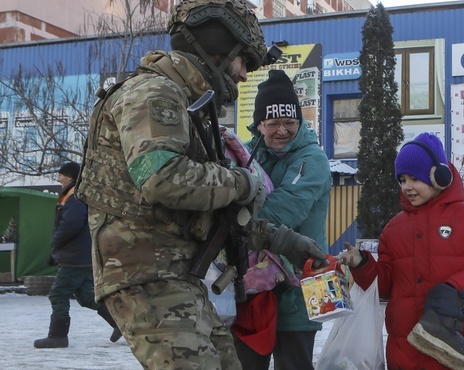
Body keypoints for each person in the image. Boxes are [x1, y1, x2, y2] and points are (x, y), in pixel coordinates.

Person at [74, 1, 327, 369]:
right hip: (147, 274)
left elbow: (211, 212)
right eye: (245, 62)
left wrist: (280, 240)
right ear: (220, 50)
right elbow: (163, 178)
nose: (243, 75)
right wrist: (242, 182)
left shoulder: (187, 106)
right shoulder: (154, 93)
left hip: (178, 275)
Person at [336, 133, 464, 370]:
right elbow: (387, 286)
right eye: (401, 179)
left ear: (439, 176)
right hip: (406, 354)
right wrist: (362, 264)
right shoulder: (394, 228)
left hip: (458, 352)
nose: (407, 187)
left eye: (414, 178)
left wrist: (456, 289)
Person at [232, 69, 332, 370]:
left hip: (303, 285)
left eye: (290, 122)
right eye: (273, 123)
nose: (282, 130)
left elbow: (285, 209)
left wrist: (230, 217)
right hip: (254, 288)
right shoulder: (247, 155)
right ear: (259, 124)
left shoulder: (312, 158)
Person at [34, 161, 121, 349]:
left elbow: (70, 224)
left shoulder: (75, 197)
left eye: (61, 174)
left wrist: (55, 243)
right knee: (87, 297)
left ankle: (57, 336)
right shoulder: (76, 194)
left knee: (58, 294)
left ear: (70, 177)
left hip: (75, 257)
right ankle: (121, 323)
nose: (58, 178)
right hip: (81, 256)